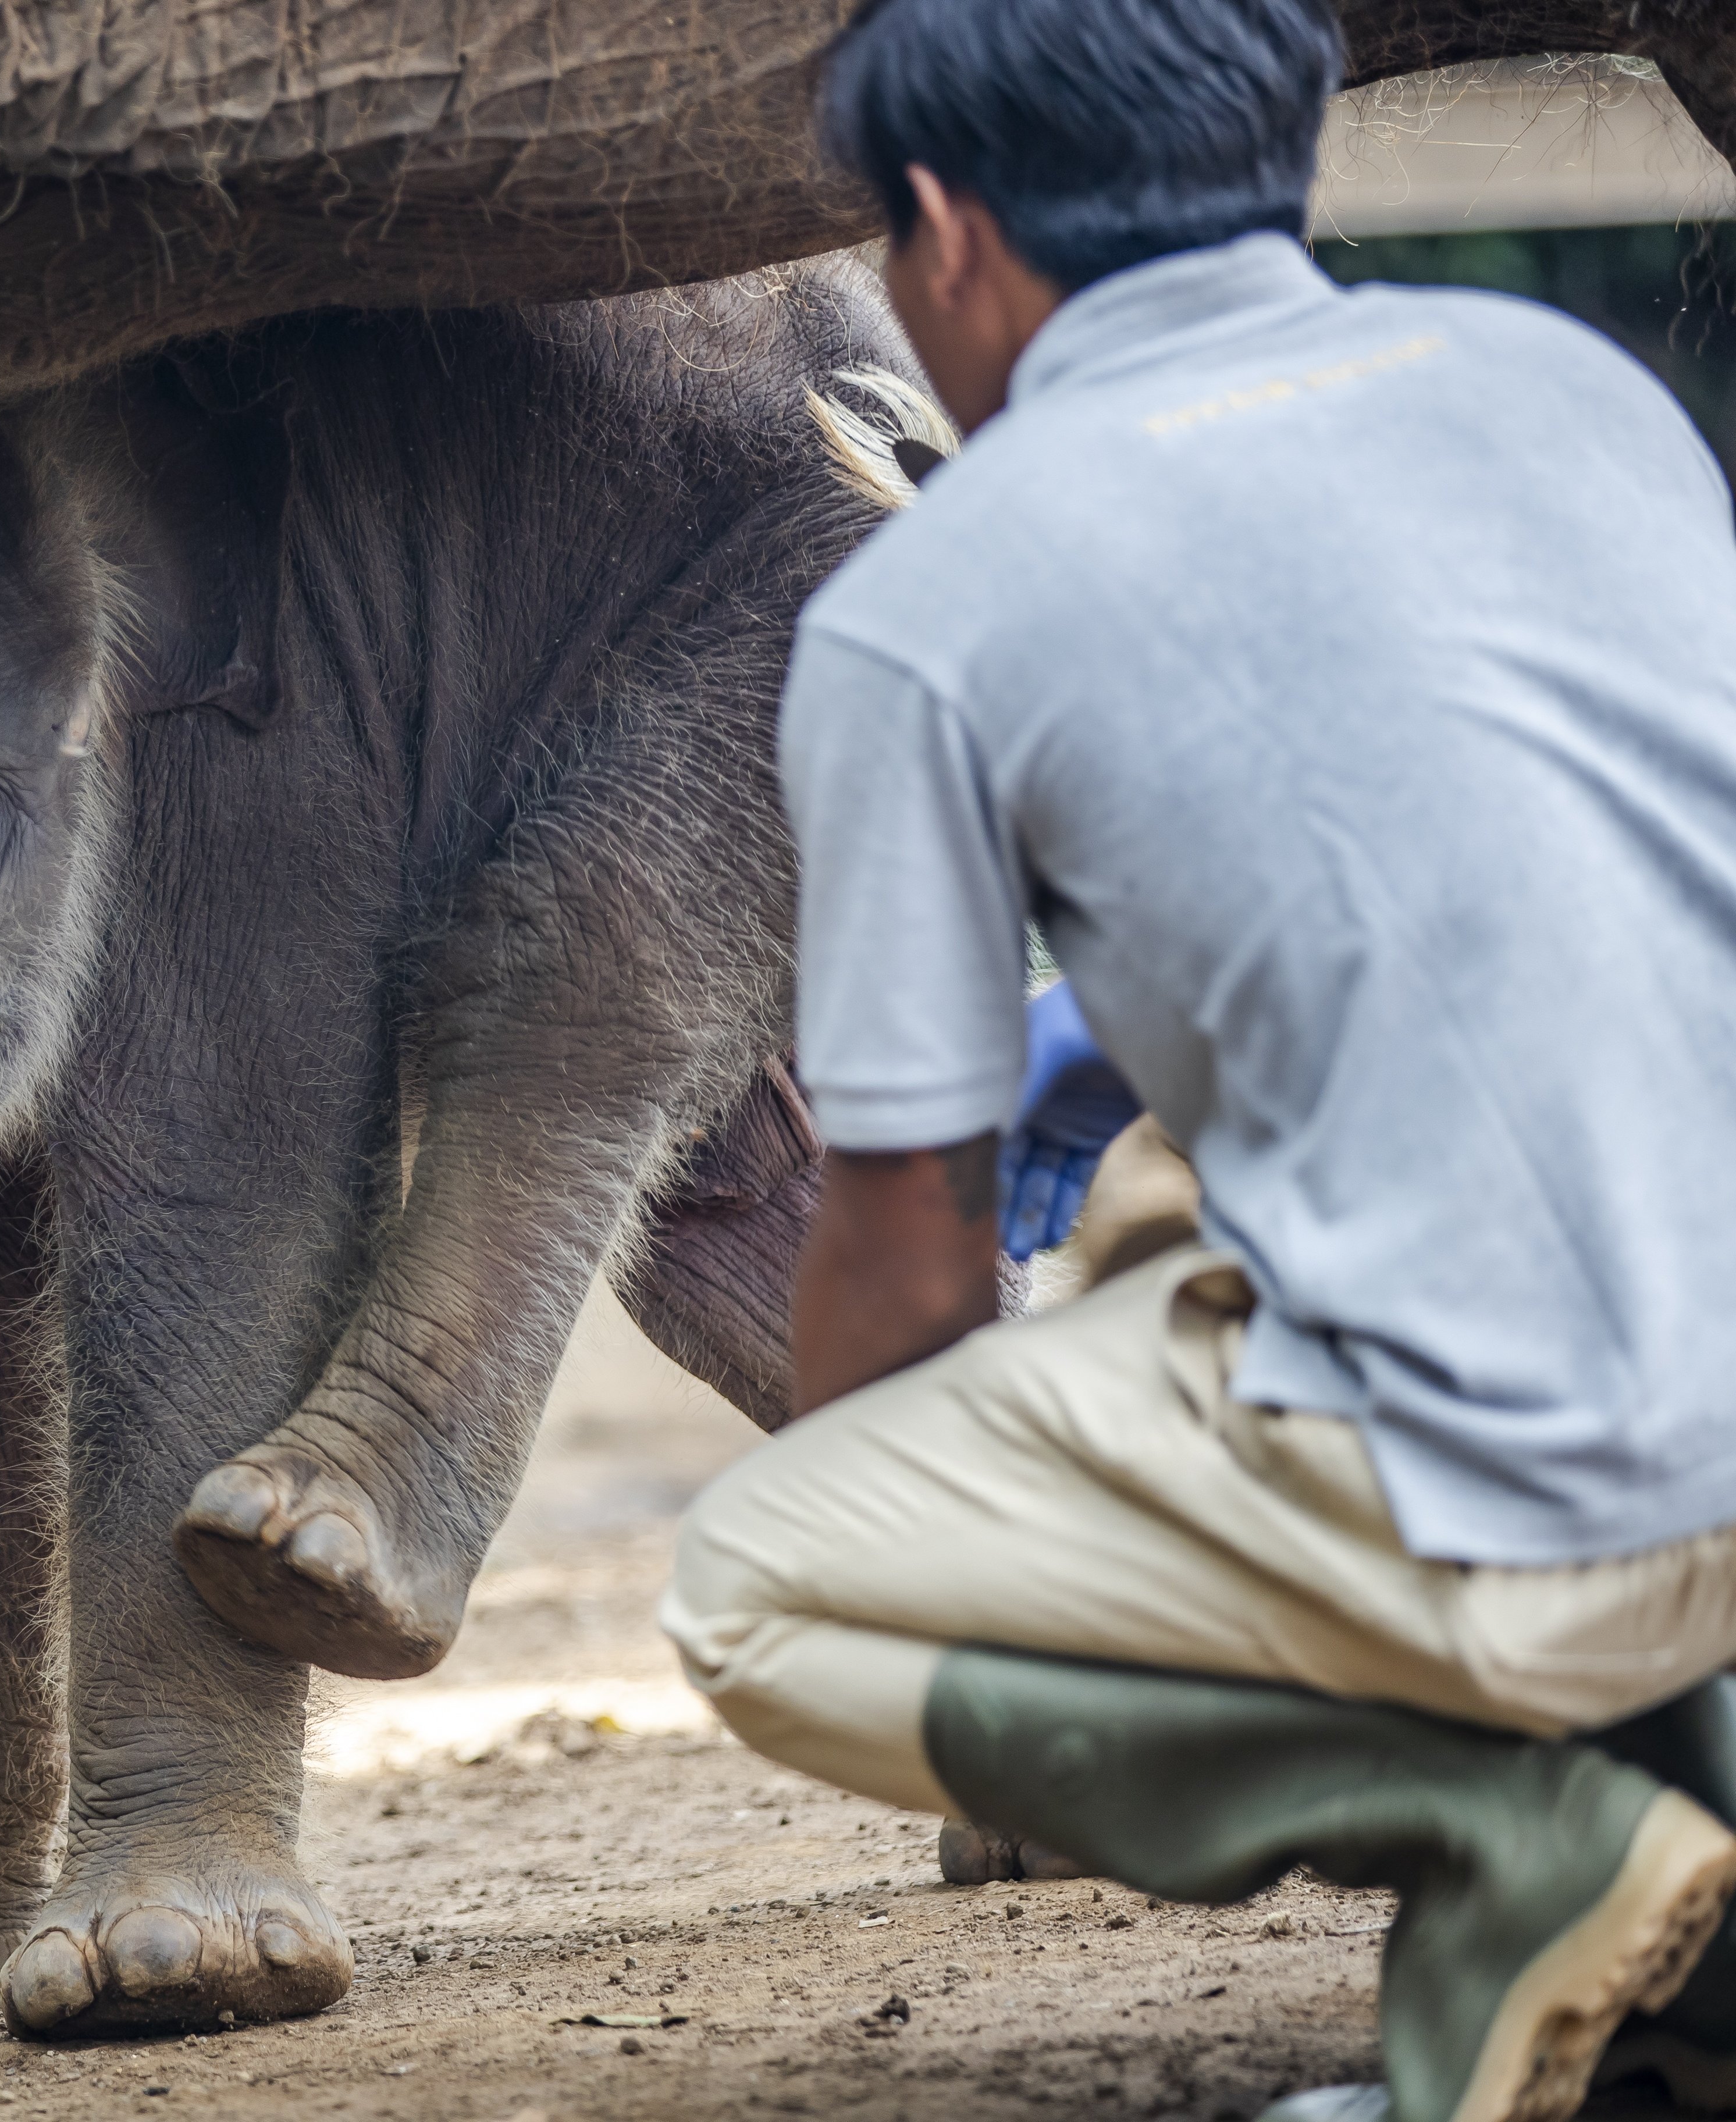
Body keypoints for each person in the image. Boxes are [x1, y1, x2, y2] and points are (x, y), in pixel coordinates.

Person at [656, 3, 1736, 2119]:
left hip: (1547, 1502)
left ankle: (1527, 1837)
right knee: (1275, 1259)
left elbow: (910, 1246)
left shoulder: (931, 602)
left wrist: (953, 1536)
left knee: (773, 1582)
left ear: (944, 231)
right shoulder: (1574, 389)